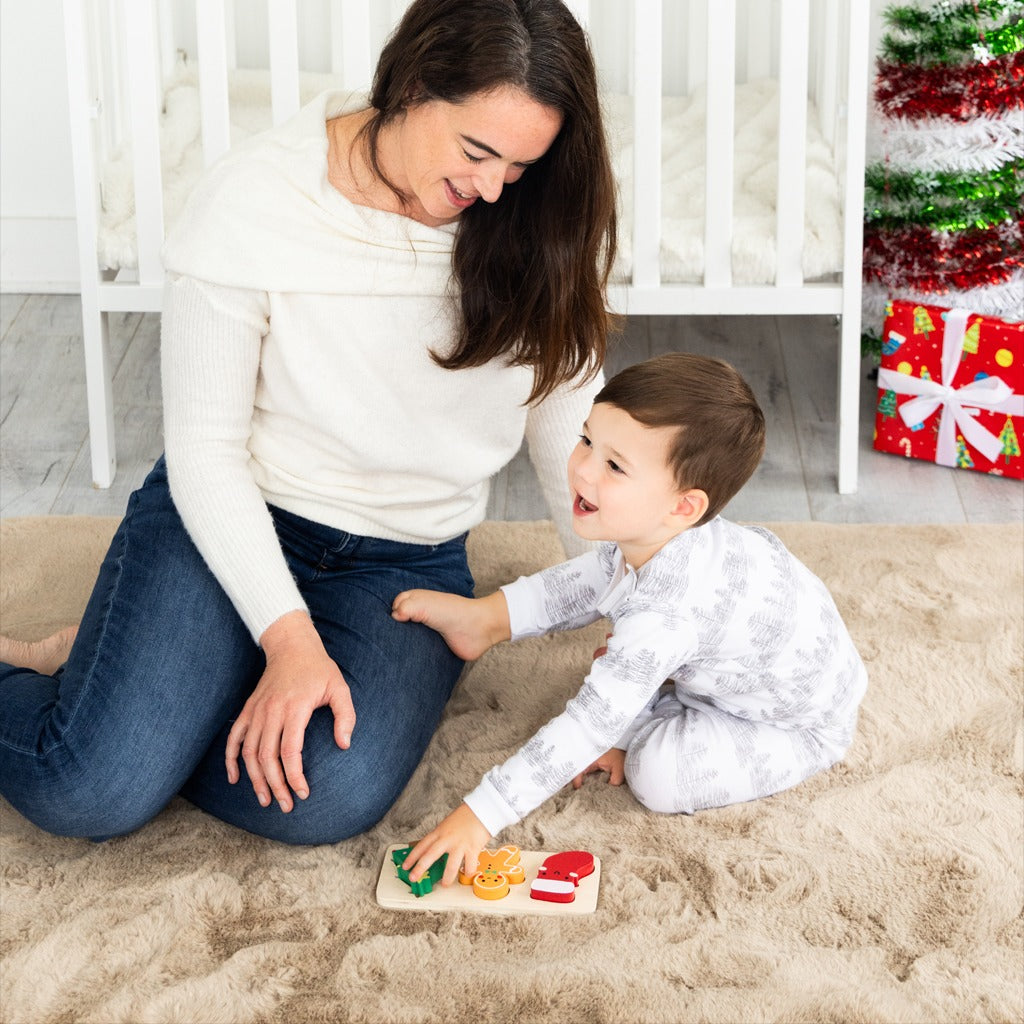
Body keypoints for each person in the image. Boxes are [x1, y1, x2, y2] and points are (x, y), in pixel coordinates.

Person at [0, 0, 617, 845]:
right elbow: (206, 454)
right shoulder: (256, 199)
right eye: (476, 152)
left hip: (405, 560)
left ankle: (132, 688)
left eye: (519, 165)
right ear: (412, 85)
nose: (490, 188)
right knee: (90, 787)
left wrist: (639, 618)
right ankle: (129, 704)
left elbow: (581, 445)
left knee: (327, 792)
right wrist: (288, 642)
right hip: (238, 516)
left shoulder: (534, 218)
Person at [393, 353, 869, 886]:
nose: (583, 468)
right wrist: (495, 612)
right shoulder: (660, 536)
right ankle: (488, 621)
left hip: (794, 726)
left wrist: (479, 816)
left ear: (683, 507)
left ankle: (643, 705)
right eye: (586, 440)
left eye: (614, 466)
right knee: (604, 589)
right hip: (738, 661)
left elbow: (585, 726)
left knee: (656, 775)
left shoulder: (668, 612)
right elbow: (587, 580)